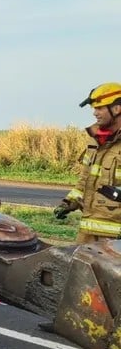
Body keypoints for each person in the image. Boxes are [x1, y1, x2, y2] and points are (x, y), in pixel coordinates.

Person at [53, 83, 121, 242]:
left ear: (116, 109)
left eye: (99, 108)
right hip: (88, 231)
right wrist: (69, 202)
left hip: (115, 238)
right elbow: (86, 178)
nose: (94, 113)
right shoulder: (95, 140)